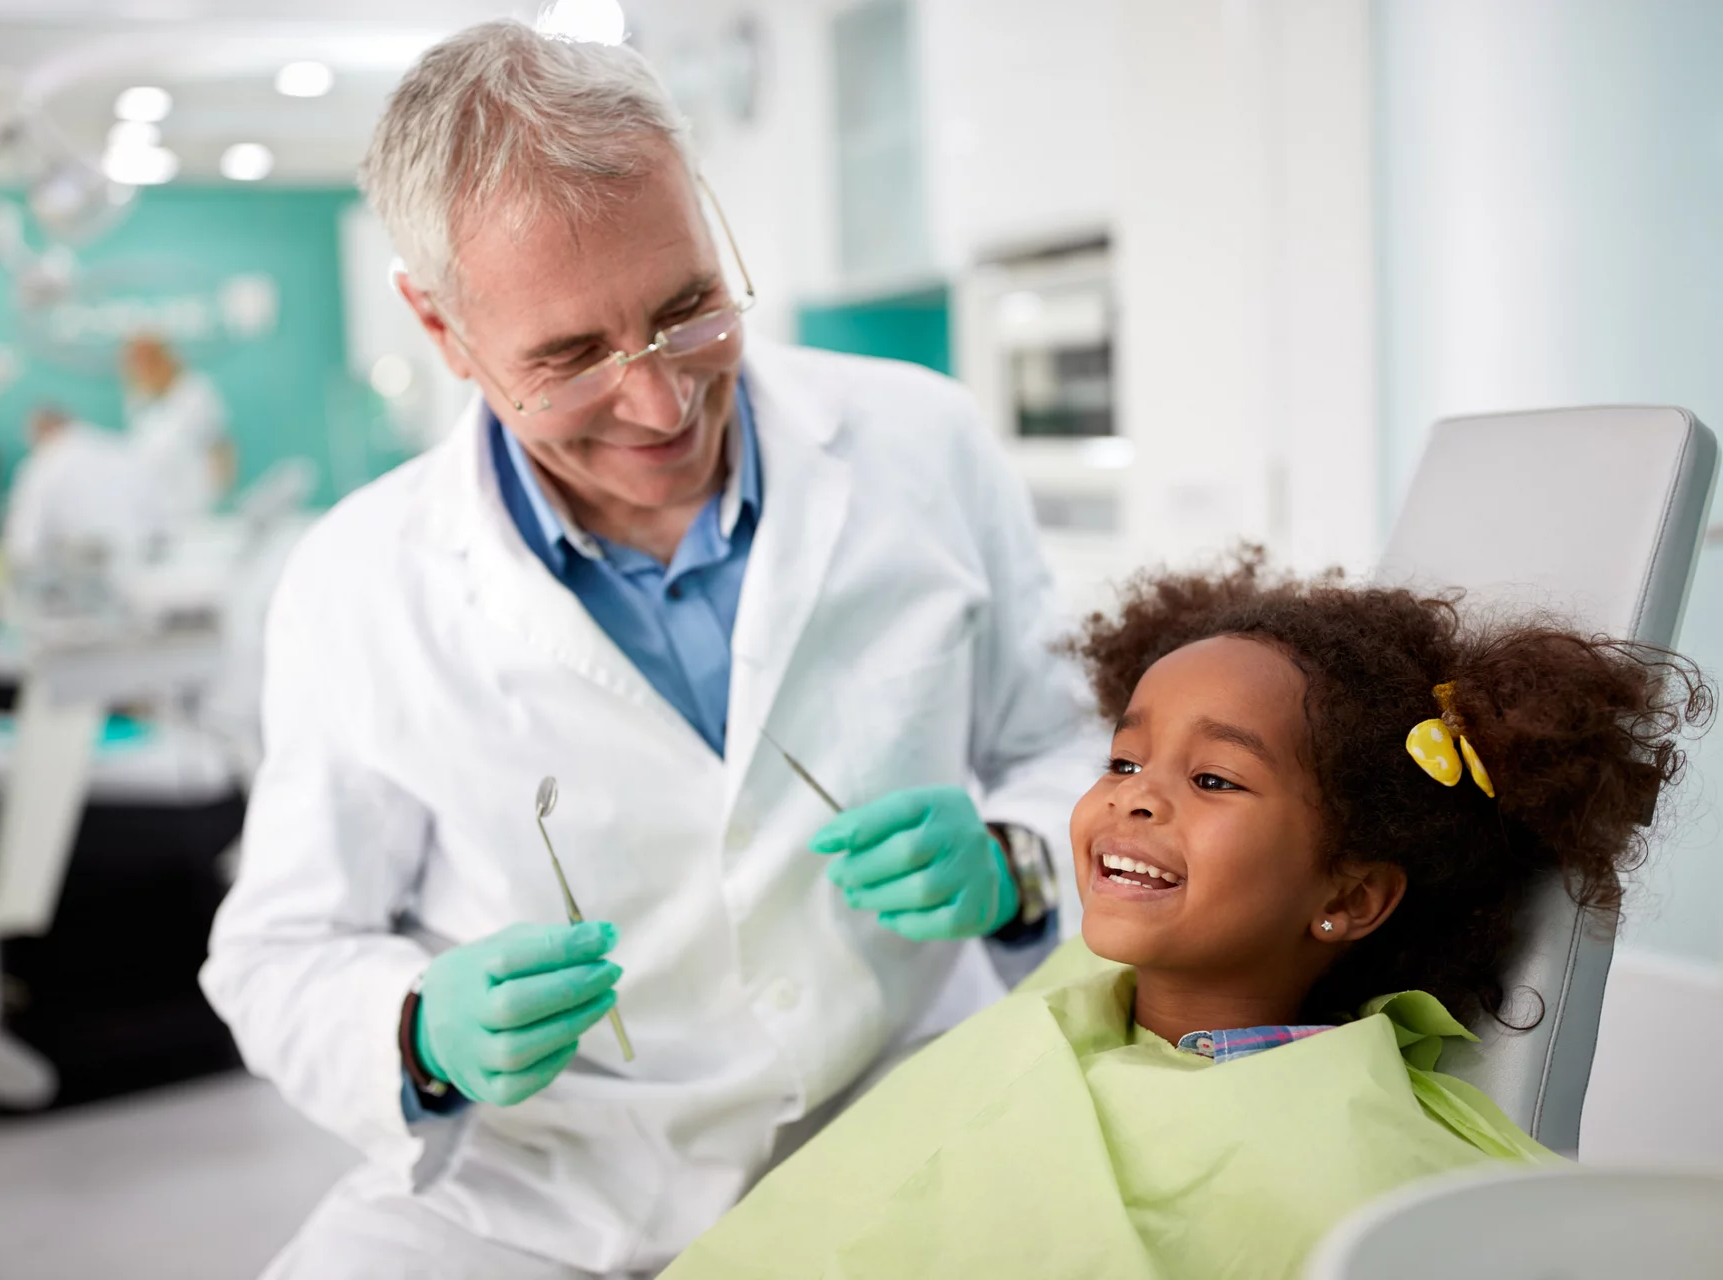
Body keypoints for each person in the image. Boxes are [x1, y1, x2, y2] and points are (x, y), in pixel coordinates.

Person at [199, 21, 1095, 1279]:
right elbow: (281, 952)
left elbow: (1065, 744)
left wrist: (1018, 858)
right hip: (548, 1192)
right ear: (443, 330)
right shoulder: (359, 583)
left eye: (686, 311)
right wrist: (417, 1032)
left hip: (904, 1117)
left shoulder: (923, 444)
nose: (661, 403)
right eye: (568, 359)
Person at [664, 553, 1708, 1278]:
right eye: (1122, 758)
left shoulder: (1346, 1146)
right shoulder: (1075, 988)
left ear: (1347, 897)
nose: (1135, 794)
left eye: (1213, 778)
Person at [1, 405, 164, 573]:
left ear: (43, 431)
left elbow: (23, 544)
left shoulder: (44, 464)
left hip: (87, 576)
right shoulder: (120, 449)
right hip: (148, 565)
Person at [120, 334, 232, 524]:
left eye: (149, 360)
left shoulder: (195, 392)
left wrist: (217, 499)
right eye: (136, 363)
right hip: (154, 513)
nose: (143, 369)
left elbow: (221, 448)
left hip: (196, 510)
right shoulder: (137, 400)